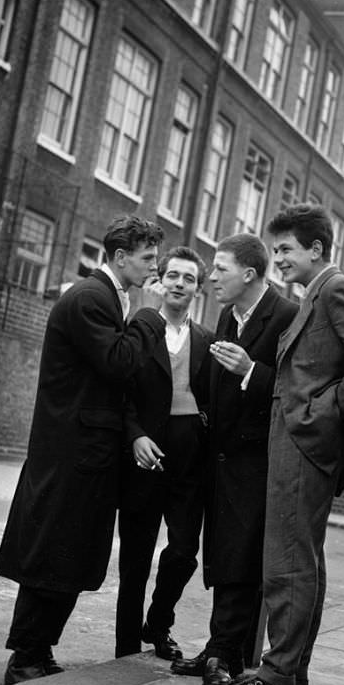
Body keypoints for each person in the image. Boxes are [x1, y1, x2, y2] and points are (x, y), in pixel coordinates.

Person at [208, 204, 344, 685]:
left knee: (288, 563)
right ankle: (291, 675)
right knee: (301, 559)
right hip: (298, 445)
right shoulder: (316, 293)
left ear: (316, 249)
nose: (279, 259)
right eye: (276, 250)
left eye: (286, 249)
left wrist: (323, 411)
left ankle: (274, 680)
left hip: (305, 445)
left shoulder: (335, 289)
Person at [0, 214, 166, 685]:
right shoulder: (91, 298)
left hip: (86, 456)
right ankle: (25, 656)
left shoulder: (109, 297)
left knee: (71, 554)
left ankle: (41, 650)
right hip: (70, 454)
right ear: (118, 257)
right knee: (53, 553)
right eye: (147, 258)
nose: (154, 268)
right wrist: (150, 315)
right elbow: (118, 363)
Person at [171, 233, 297, 685]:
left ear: (248, 273)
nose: (211, 277)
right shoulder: (228, 314)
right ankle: (218, 647)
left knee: (242, 559)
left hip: (256, 464)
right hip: (221, 461)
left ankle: (226, 654)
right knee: (223, 554)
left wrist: (250, 371)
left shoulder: (286, 317)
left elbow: (295, 391)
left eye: (219, 268)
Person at [115, 246, 213, 661]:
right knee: (135, 555)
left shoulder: (207, 339)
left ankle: (158, 625)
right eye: (173, 275)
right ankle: (125, 645)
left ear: (197, 289)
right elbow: (120, 390)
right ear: (160, 282)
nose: (179, 284)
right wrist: (134, 435)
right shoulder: (141, 326)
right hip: (145, 452)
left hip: (189, 454)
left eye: (189, 279)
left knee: (183, 550)